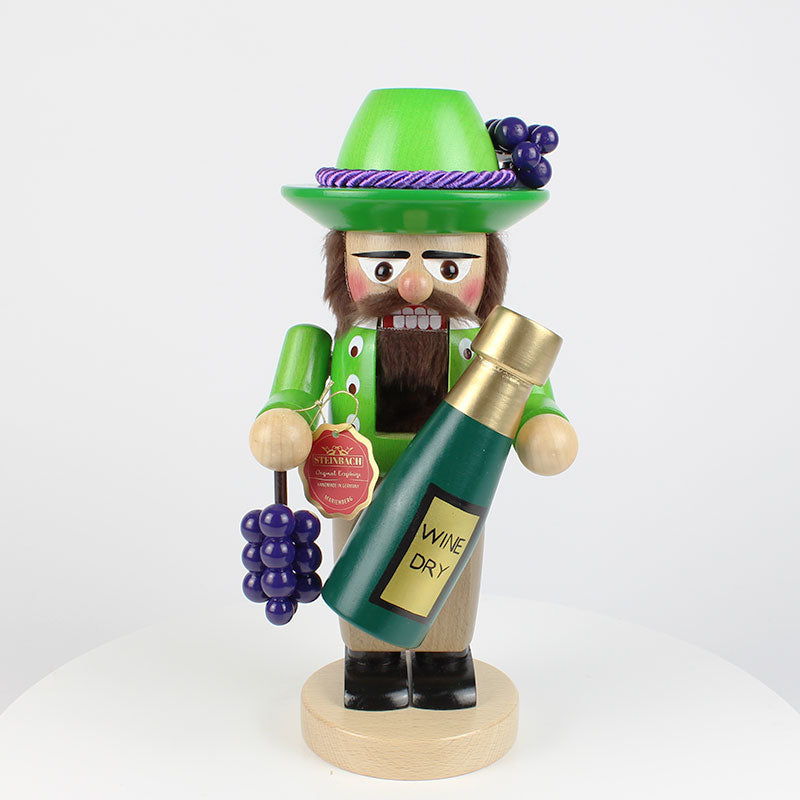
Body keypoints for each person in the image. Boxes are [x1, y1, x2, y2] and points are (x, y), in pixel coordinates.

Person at [249, 88, 578, 710]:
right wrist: (284, 421)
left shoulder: (497, 347)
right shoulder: (317, 340)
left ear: (489, 264)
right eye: (385, 265)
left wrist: (543, 424)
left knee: (450, 568)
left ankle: (443, 659)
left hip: (457, 491)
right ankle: (370, 660)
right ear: (342, 260)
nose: (417, 284)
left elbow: (532, 400)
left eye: (449, 266)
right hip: (358, 483)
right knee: (362, 568)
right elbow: (289, 399)